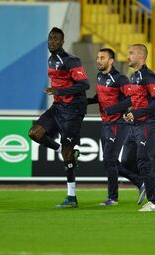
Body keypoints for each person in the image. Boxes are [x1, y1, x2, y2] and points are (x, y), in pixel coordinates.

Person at [28, 27, 89, 208]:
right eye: (49, 39)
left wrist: (60, 91)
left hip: (73, 110)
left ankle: (72, 198)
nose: (51, 42)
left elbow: (84, 84)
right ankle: (61, 151)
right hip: (58, 107)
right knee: (34, 133)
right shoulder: (51, 59)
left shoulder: (71, 60)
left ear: (62, 42)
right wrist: (58, 93)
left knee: (67, 152)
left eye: (55, 39)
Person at [88, 48, 142, 206]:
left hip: (118, 123)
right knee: (108, 161)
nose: (98, 60)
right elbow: (100, 97)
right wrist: (86, 102)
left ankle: (113, 197)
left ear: (111, 61)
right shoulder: (99, 76)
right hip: (105, 123)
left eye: (102, 58)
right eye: (98, 57)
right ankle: (140, 182)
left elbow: (132, 99)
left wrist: (113, 109)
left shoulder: (120, 79)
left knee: (109, 160)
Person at [123, 44, 155, 212]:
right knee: (126, 160)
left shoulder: (150, 76)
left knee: (144, 160)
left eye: (131, 53)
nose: (128, 56)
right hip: (136, 124)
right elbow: (136, 101)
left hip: (149, 124)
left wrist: (138, 112)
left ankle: (153, 202)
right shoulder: (134, 77)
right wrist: (128, 112)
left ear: (141, 56)